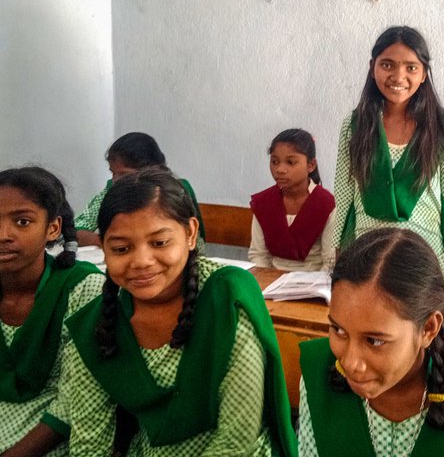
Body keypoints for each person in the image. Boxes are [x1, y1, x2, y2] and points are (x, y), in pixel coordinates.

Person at [58, 169, 297, 456]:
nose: (142, 261)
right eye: (121, 248)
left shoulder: (226, 299)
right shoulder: (97, 324)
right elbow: (89, 444)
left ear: (191, 233)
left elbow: (237, 440)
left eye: (159, 243)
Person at [298, 228, 444, 457]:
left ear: (428, 329)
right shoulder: (317, 374)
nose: (350, 363)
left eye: (374, 340)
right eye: (338, 330)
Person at [332, 26, 444, 290]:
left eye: (411, 67)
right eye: (387, 65)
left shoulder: (442, 129)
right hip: (367, 254)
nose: (398, 76)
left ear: (424, 74)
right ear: (372, 67)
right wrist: (338, 254)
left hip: (423, 259)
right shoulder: (355, 125)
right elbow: (344, 192)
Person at [0, 167, 103, 456]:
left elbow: (75, 400)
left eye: (22, 221)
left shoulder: (83, 288)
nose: (3, 234)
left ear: (53, 229)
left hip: (49, 439)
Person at [74, 132, 205, 248]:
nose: (116, 180)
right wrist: (106, 241)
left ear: (153, 169)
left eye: (124, 174)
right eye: (113, 173)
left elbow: (191, 243)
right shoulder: (112, 191)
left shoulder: (173, 192)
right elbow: (75, 230)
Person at [249, 129, 336, 271]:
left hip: (313, 282)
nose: (280, 169)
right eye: (275, 162)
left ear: (311, 165)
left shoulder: (327, 205)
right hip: (271, 281)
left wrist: (312, 288)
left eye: (290, 162)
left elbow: (330, 262)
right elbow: (259, 255)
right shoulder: (264, 203)